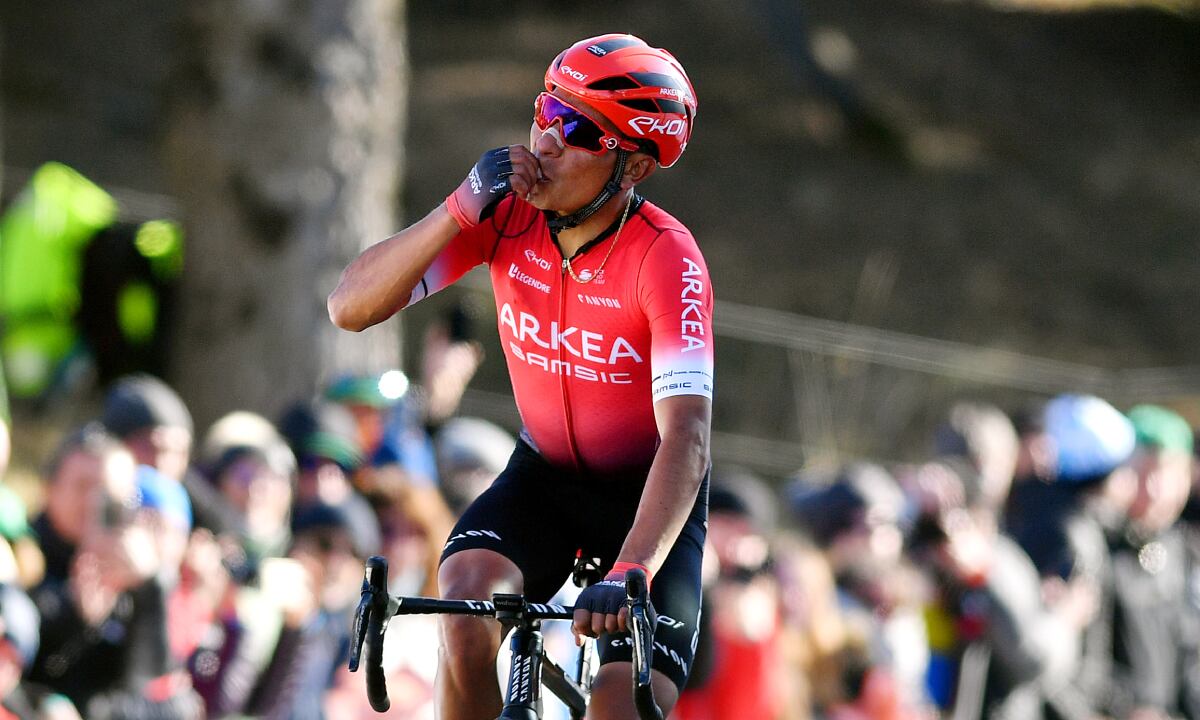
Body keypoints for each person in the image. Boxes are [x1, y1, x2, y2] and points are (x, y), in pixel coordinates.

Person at [329, 33, 711, 720]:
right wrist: (456, 209)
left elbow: (687, 436)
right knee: (465, 598)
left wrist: (632, 571)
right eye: (545, 109)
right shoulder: (504, 216)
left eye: (578, 128)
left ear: (632, 168)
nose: (546, 138)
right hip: (544, 480)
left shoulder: (665, 257)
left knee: (620, 706)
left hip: (646, 499)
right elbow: (349, 308)